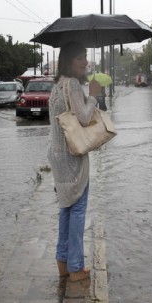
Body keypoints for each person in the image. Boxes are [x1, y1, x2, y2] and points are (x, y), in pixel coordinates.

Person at [48, 41, 101, 282]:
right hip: (72, 155)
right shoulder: (72, 85)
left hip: (57, 154)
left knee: (66, 208)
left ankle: (63, 264)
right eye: (80, 57)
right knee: (77, 209)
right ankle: (77, 267)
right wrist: (93, 96)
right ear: (69, 61)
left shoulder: (57, 85)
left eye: (86, 56)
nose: (85, 62)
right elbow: (84, 117)